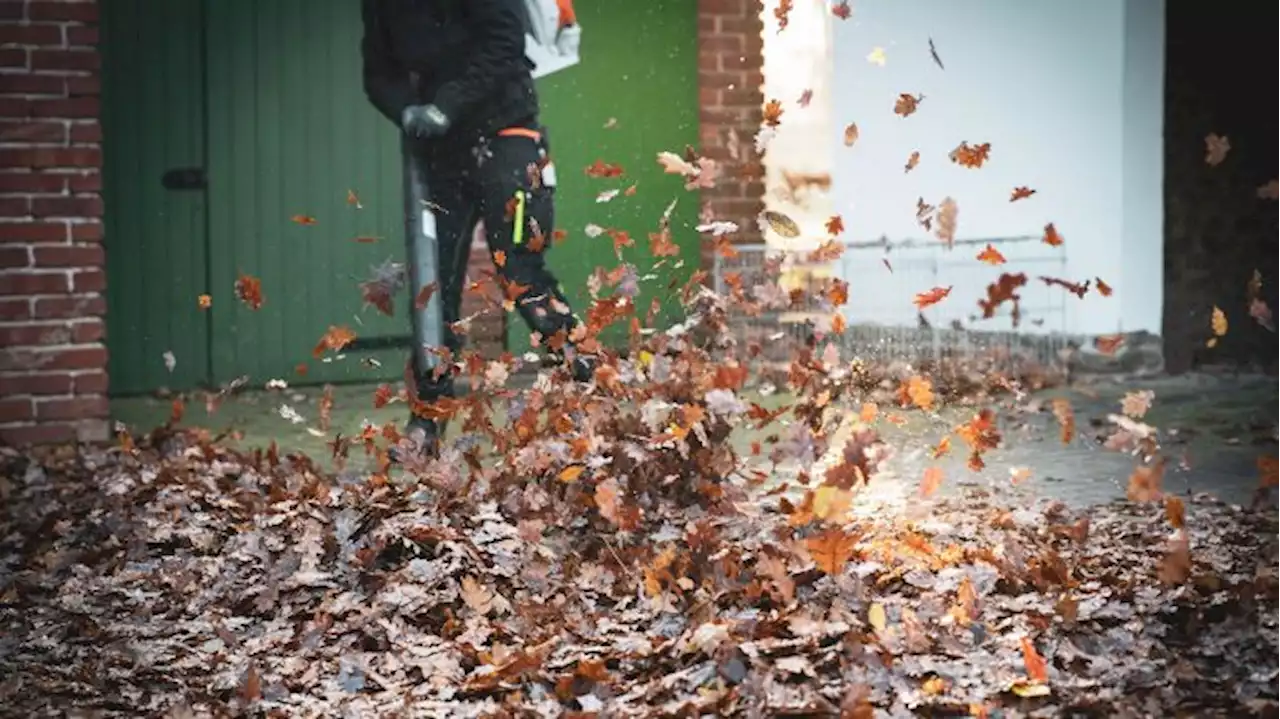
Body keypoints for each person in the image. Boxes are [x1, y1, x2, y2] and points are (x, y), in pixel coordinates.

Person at [360, 0, 588, 457]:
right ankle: (428, 416)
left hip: (508, 136)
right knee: (433, 284)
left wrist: (445, 106)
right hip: (441, 156)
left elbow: (503, 46)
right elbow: (378, 72)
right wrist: (406, 110)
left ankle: (588, 390)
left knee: (519, 268)